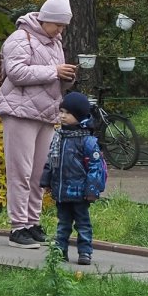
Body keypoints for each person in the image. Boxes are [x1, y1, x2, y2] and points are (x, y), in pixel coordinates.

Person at [0, 0, 78, 246]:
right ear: (45, 18)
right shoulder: (20, 38)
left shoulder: (55, 44)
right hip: (19, 113)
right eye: (58, 25)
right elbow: (17, 73)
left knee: (39, 173)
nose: (60, 31)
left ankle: (32, 222)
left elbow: (53, 79)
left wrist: (66, 77)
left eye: (64, 26)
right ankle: (17, 226)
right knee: (20, 171)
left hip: (46, 114)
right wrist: (54, 71)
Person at [41, 91, 106, 265]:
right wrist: (46, 181)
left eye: (67, 112)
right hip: (61, 190)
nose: (62, 115)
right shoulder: (59, 137)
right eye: (61, 111)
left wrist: (92, 189)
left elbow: (95, 167)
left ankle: (85, 252)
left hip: (80, 193)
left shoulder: (87, 141)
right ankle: (60, 250)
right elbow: (51, 160)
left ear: (79, 115)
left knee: (83, 224)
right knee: (63, 224)